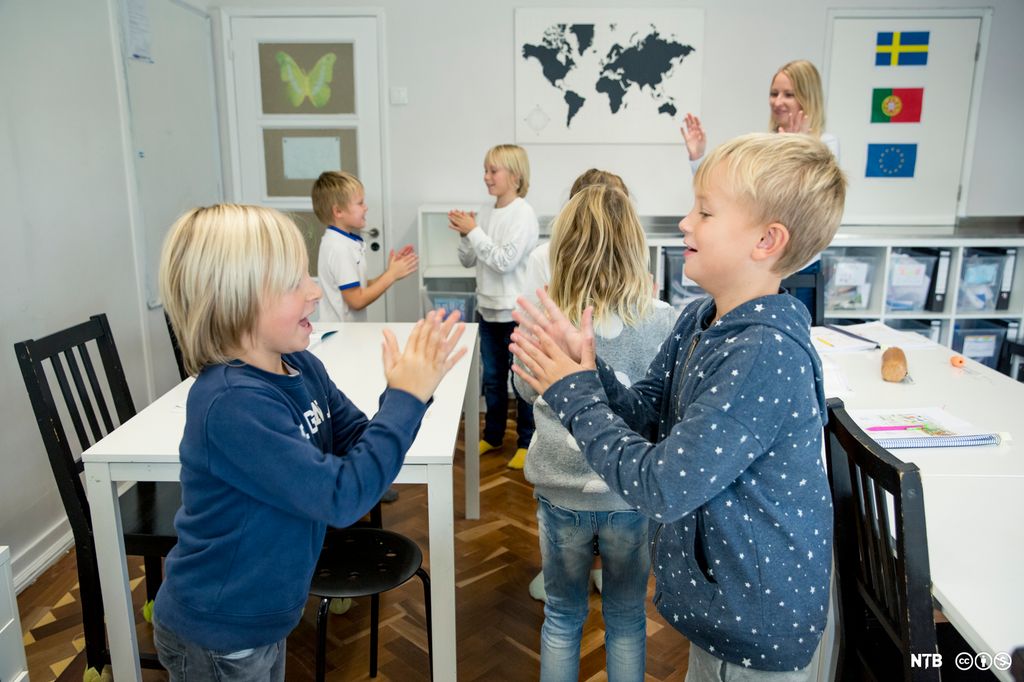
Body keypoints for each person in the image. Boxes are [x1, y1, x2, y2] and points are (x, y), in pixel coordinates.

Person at [511, 133, 846, 679]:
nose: (685, 222)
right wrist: (589, 371)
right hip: (722, 610)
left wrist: (574, 395)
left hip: (755, 627)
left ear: (766, 240)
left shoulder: (762, 352)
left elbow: (662, 485)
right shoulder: (701, 318)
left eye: (705, 211)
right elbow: (647, 409)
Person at [153, 203, 466, 679]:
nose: (316, 291)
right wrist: (405, 398)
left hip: (264, 616)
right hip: (219, 632)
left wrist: (407, 394)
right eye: (293, 282)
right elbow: (342, 497)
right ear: (234, 298)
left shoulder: (301, 366)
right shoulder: (232, 403)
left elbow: (362, 447)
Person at [515, 183, 677, 681]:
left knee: (562, 618)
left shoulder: (542, 315)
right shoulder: (662, 318)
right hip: (629, 496)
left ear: (562, 249)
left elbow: (523, 394)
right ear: (634, 247)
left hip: (561, 493)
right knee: (627, 619)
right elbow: (662, 410)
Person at [521, 168, 633, 604]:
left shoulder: (635, 280)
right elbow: (531, 358)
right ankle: (563, 567)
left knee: (601, 488)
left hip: (614, 464)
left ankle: (598, 563)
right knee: (561, 492)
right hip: (556, 433)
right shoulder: (541, 260)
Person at [681, 60, 837, 319]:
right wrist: (699, 159)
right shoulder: (766, 144)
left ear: (808, 97)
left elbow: (810, 203)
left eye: (789, 94)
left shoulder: (825, 146)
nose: (778, 102)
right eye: (774, 93)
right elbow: (726, 197)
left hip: (799, 267)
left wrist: (801, 147)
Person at [449, 144, 539, 469]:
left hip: (517, 314)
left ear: (514, 176)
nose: (486, 177)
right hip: (487, 311)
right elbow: (467, 259)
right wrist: (466, 235)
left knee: (522, 380)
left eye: (493, 171)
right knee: (493, 379)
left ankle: (527, 442)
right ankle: (494, 434)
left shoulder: (523, 214)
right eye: (485, 170)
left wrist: (473, 231)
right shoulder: (485, 213)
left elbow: (503, 261)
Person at [313, 170, 418, 323]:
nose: (366, 207)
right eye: (360, 203)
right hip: (341, 337)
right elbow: (357, 301)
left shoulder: (343, 242)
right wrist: (391, 276)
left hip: (347, 334)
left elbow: (360, 287)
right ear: (338, 211)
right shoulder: (339, 248)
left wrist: (390, 272)